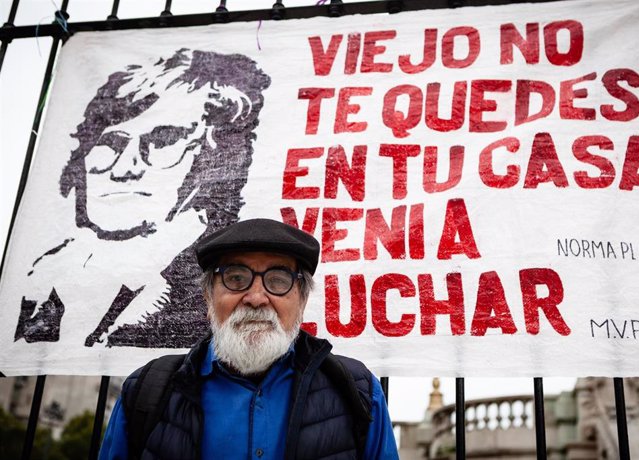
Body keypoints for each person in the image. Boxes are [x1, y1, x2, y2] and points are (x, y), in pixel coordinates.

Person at [14, 49, 271, 348]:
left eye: (163, 141)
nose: (125, 169)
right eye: (110, 143)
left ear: (209, 161)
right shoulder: (41, 278)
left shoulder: (216, 288)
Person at [99, 218, 399, 459]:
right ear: (208, 297)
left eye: (278, 281)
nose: (256, 298)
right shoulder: (146, 391)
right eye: (236, 278)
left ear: (302, 302)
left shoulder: (359, 392)